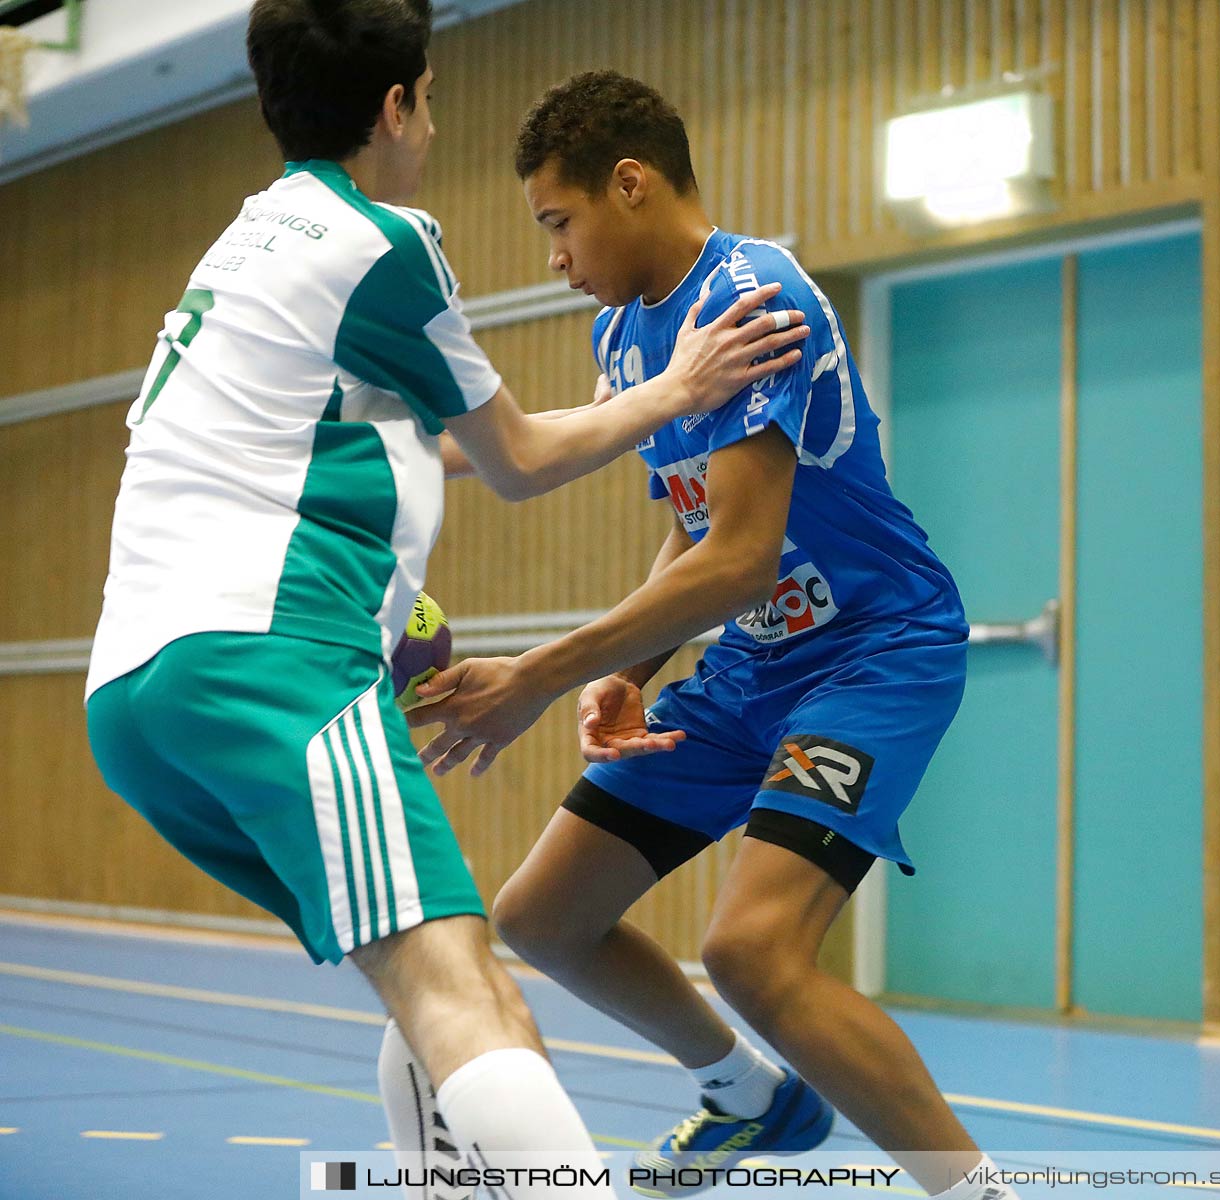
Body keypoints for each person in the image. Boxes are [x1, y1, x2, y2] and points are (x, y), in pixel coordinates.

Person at [81, 6, 807, 1197]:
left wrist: (404, 620)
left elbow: (388, 444)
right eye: (428, 97)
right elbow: (516, 457)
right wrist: (681, 386)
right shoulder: (381, 243)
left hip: (136, 693)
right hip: (268, 660)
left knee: (424, 966)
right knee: (463, 987)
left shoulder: (249, 243)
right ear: (399, 107)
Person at [409, 70, 1016, 1200]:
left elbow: (742, 557)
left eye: (559, 221)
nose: (554, 256)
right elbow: (697, 534)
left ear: (628, 184)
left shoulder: (752, 294)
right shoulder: (626, 332)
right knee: (544, 916)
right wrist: (629, 672)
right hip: (751, 663)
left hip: (872, 652)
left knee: (752, 950)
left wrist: (539, 676)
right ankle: (754, 1097)